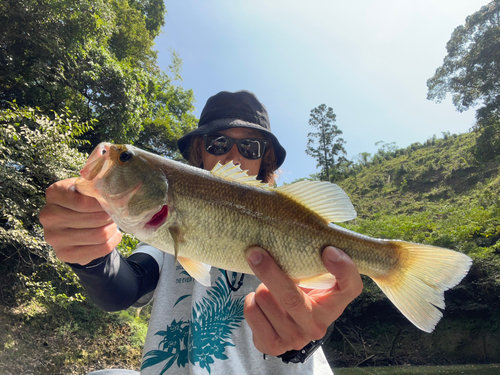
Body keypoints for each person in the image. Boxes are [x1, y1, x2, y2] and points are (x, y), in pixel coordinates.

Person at [40, 90, 363, 375]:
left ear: (264, 158)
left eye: (250, 147)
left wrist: (303, 341)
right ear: (200, 150)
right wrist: (92, 257)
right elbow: (126, 288)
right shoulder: (163, 228)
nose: (234, 155)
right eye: (219, 142)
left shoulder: (296, 223)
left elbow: (320, 308)